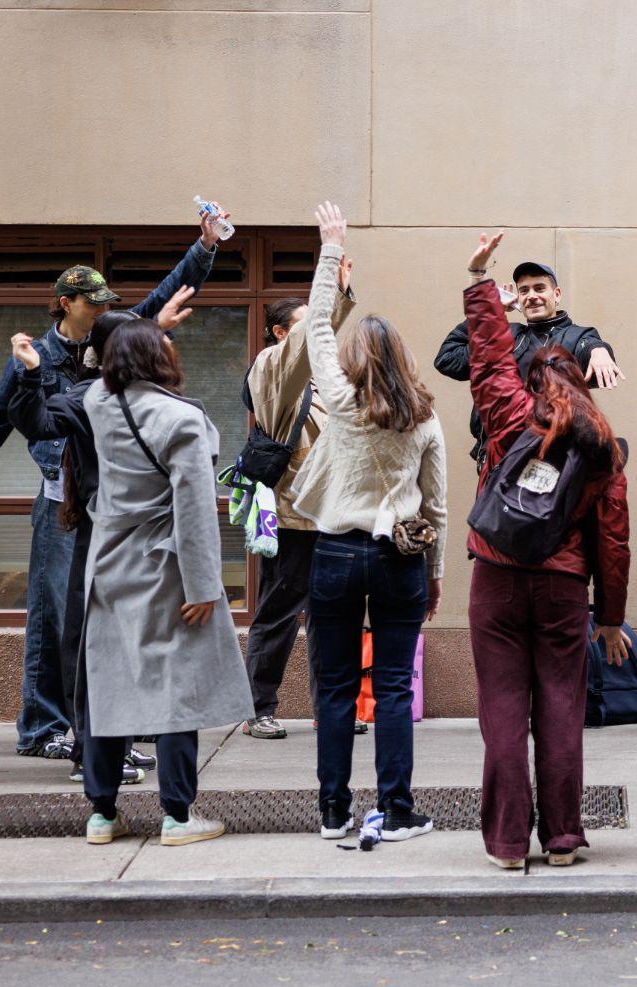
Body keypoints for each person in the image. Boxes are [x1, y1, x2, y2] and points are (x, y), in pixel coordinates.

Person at [0, 212, 225, 763]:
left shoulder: (111, 340)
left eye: (107, 305)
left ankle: (107, 725)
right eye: (93, 304)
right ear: (66, 303)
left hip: (105, 501)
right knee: (55, 616)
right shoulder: (35, 358)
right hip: (58, 501)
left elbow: (163, 296)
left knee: (107, 617)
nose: (103, 313)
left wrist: (204, 247)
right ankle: (44, 727)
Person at [462, 231, 631, 872]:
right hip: (563, 588)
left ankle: (509, 844)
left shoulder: (509, 415)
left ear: (530, 380)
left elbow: (487, 356)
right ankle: (561, 838)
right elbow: (612, 540)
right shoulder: (602, 448)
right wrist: (608, 618)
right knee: (562, 708)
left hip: (497, 577)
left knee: (503, 710)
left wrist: (481, 281)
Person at [292, 203, 450, 846]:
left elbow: (315, 332)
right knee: (391, 689)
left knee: (332, 688)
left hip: (333, 553)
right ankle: (396, 809)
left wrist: (330, 252)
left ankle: (333, 813)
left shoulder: (339, 399)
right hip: (400, 560)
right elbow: (436, 507)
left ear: (355, 357)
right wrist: (435, 574)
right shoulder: (424, 417)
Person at [6, 296, 196, 789]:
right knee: (94, 645)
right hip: (104, 536)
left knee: (129, 646)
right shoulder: (91, 396)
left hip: (135, 538)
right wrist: (31, 373)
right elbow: (36, 423)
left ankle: (114, 751)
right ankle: (91, 757)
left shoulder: (141, 397)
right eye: (151, 341)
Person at [77, 318, 246, 847]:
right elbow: (194, 510)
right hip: (163, 567)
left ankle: (102, 815)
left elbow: (93, 368)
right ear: (158, 358)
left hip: (108, 563)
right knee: (176, 689)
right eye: (167, 342)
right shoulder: (181, 420)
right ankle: (177, 815)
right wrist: (204, 586)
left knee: (108, 684)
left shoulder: (98, 403)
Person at [242, 284, 357, 742]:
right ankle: (258, 709)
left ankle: (330, 709)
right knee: (277, 613)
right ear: (279, 333)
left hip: (332, 517)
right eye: (307, 324)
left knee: (332, 617)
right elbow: (305, 346)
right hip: (292, 517)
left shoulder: (325, 380)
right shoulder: (272, 371)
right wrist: (335, 294)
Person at [434, 259, 622, 461]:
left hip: (552, 458)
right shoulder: (505, 335)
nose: (532, 296)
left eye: (539, 288)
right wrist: (491, 312)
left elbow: (589, 346)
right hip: (499, 458)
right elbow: (448, 358)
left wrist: (599, 350)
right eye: (524, 291)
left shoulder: (577, 336)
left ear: (557, 294)